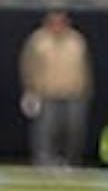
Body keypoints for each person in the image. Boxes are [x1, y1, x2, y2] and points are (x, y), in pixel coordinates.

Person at [18, 9, 93, 169]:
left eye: (61, 22)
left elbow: (85, 67)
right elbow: (27, 65)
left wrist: (86, 90)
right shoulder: (37, 41)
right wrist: (30, 90)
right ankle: (43, 163)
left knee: (74, 130)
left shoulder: (77, 41)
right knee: (45, 131)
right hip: (46, 94)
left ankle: (71, 163)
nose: (57, 26)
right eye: (54, 22)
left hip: (74, 94)